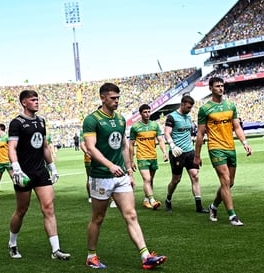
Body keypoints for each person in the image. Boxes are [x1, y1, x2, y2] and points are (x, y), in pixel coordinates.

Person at [83, 83, 166, 270]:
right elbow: (90, 148)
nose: (116, 101)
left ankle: (145, 256)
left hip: (120, 175)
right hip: (101, 176)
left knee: (131, 214)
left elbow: (123, 146)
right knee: (98, 217)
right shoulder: (92, 120)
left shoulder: (121, 119)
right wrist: (110, 165)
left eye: (118, 98)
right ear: (102, 98)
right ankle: (91, 255)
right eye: (113, 98)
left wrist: (129, 171)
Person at [7, 90, 70, 261]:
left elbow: (44, 146)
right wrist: (16, 168)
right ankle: (12, 244)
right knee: (21, 210)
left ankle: (55, 250)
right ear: (24, 103)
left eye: (37, 99)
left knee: (49, 208)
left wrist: (52, 167)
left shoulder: (41, 121)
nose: (36, 102)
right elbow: (11, 147)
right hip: (24, 173)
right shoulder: (16, 123)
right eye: (33, 100)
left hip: (41, 172)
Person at [195, 77, 253, 226]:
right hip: (215, 148)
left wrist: (245, 142)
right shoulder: (205, 109)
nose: (220, 88)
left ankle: (213, 206)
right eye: (217, 86)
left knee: (230, 182)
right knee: (225, 180)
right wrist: (197, 155)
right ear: (210, 88)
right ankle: (232, 216)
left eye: (222, 85)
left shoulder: (230, 106)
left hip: (230, 147)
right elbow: (200, 134)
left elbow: (237, 127)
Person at [164, 95, 209, 213]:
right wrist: (172, 145)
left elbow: (188, 135)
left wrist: (196, 154)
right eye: (188, 107)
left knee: (195, 176)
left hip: (190, 152)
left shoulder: (188, 117)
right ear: (182, 104)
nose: (190, 110)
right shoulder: (172, 117)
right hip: (177, 153)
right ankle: (168, 199)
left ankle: (199, 206)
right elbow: (167, 133)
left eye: (191, 108)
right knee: (176, 180)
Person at [129, 104, 168, 210]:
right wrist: (131, 160)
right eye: (145, 112)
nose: (147, 114)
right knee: (147, 179)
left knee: (151, 180)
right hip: (142, 156)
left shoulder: (155, 125)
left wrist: (164, 152)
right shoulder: (135, 127)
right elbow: (131, 144)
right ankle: (152, 200)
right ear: (140, 113)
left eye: (148, 111)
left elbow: (160, 140)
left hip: (153, 156)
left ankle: (146, 200)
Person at [0, 123, 12, 201]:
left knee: (13, 178)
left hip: (7, 161)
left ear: (0, 128)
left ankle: (19, 194)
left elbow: (12, 149)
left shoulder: (7, 137)